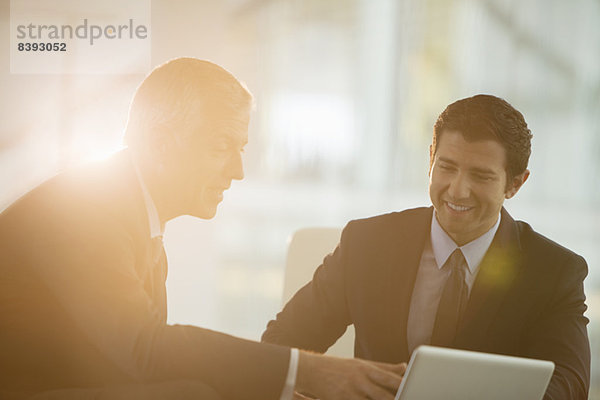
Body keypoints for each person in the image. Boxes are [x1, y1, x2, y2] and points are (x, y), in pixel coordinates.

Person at [0, 58, 406, 400]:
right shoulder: (85, 210)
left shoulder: (131, 212)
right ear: (161, 143)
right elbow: (146, 350)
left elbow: (138, 360)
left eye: (241, 148)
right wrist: (307, 372)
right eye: (220, 147)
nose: (238, 171)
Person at [262, 94, 590, 400]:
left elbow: (570, 384)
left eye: (481, 176)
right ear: (430, 159)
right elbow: (281, 345)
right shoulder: (367, 243)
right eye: (447, 167)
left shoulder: (553, 272)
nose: (458, 191)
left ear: (515, 183)